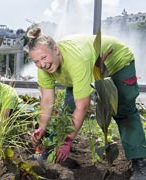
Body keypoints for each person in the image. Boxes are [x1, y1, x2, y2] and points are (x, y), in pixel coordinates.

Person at [25, 25, 146, 179]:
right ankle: (53, 149)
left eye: (44, 58)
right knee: (67, 112)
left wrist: (68, 141)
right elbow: (47, 100)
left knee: (123, 110)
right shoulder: (44, 68)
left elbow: (83, 106)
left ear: (56, 50)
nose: (42, 64)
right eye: (36, 61)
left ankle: (140, 161)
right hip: (89, 67)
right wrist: (41, 128)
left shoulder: (77, 59)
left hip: (116, 62)